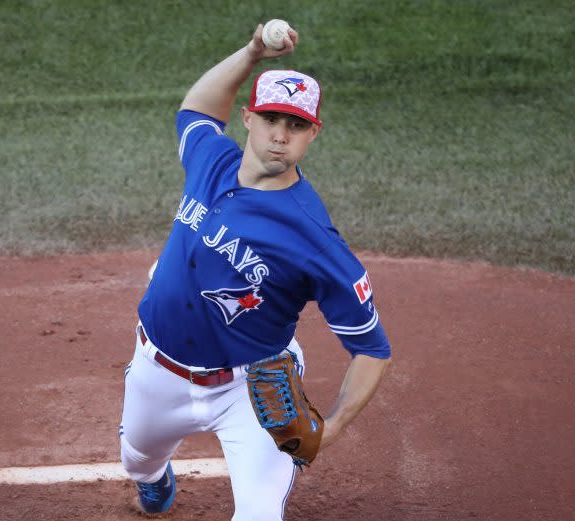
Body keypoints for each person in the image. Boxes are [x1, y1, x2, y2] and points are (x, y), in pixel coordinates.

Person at [119, 22, 392, 520]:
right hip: (158, 369)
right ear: (248, 118)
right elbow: (197, 109)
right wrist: (250, 53)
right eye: (270, 120)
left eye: (296, 126)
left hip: (251, 389)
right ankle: (155, 481)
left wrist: (327, 430)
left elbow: (371, 349)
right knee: (137, 463)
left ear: (313, 134)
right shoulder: (211, 159)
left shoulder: (316, 240)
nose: (280, 136)